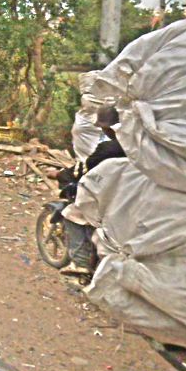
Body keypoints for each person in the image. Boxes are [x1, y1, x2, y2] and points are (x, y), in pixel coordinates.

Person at [61, 105, 126, 272]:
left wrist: (61, 174)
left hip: (107, 202)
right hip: (130, 201)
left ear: (108, 128)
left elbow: (84, 169)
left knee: (71, 214)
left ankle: (80, 263)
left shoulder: (108, 149)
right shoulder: (139, 147)